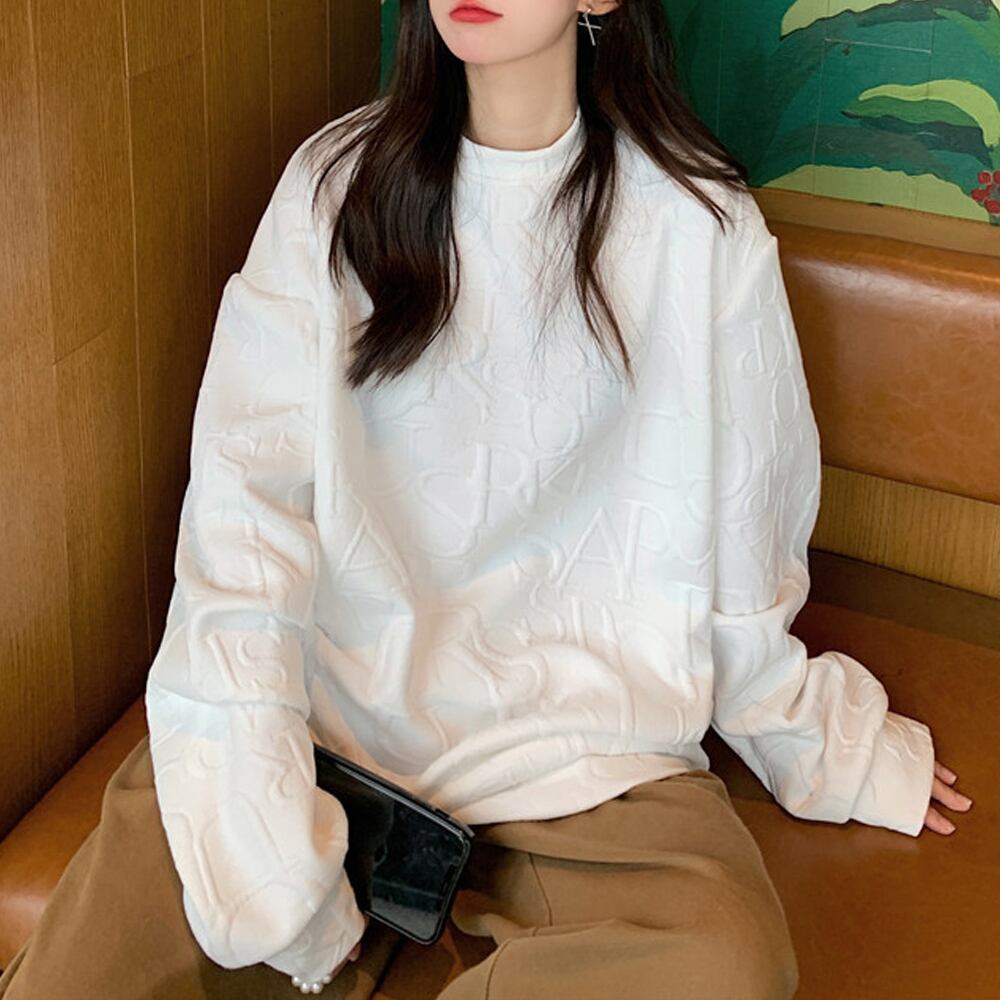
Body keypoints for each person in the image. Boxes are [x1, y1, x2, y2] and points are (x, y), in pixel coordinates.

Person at [0, 2, 973, 998]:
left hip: (583, 754)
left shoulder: (699, 225)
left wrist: (822, 741)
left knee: (724, 963)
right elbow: (245, 513)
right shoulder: (333, 187)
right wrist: (255, 812)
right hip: (324, 725)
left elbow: (744, 539)